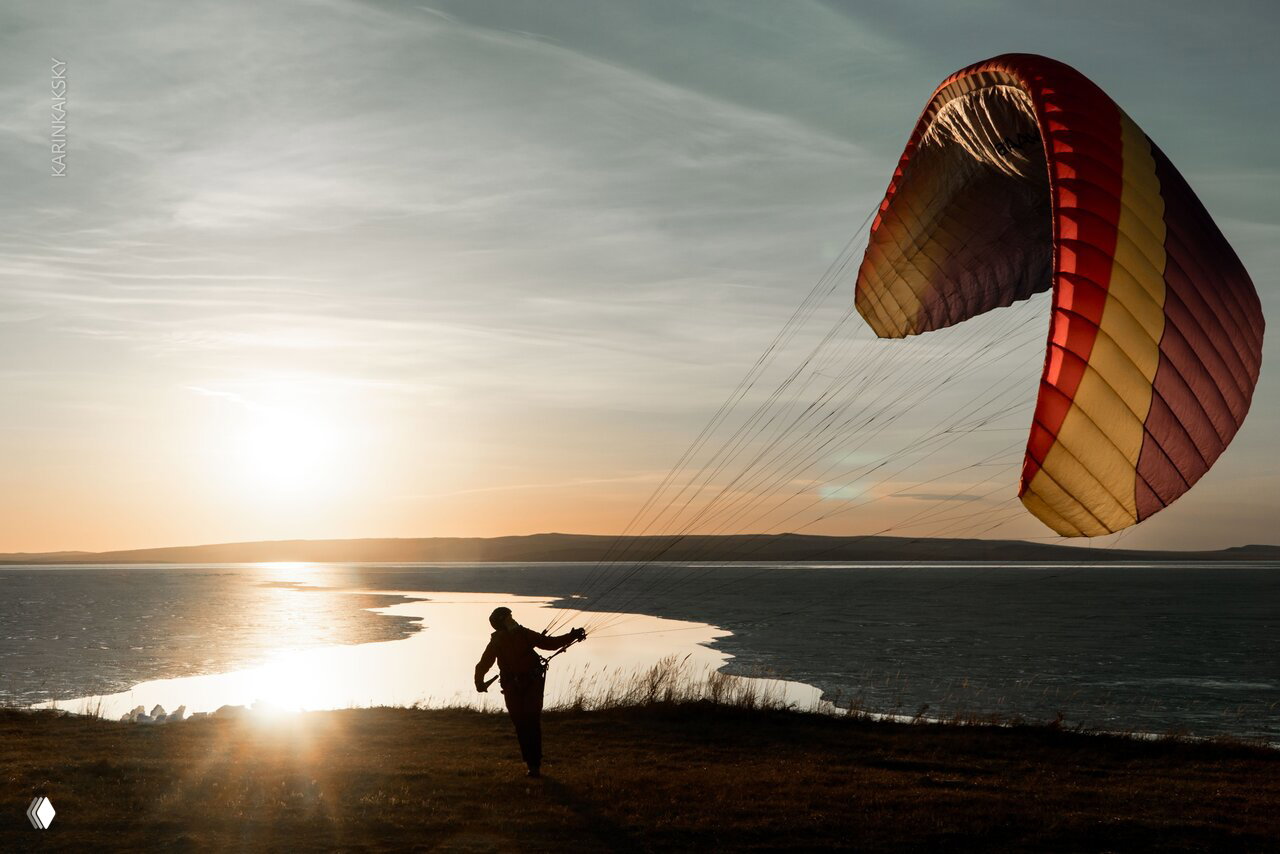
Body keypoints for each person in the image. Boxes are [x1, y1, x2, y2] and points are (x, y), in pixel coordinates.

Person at [474, 607, 585, 778]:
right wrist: (479, 681)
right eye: (508, 619)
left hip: (530, 685)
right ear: (501, 623)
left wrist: (571, 636)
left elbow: (549, 643)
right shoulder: (498, 642)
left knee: (531, 723)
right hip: (513, 687)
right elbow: (483, 664)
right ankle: (531, 763)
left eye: (511, 618)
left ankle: (534, 765)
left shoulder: (524, 634)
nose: (512, 621)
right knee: (521, 725)